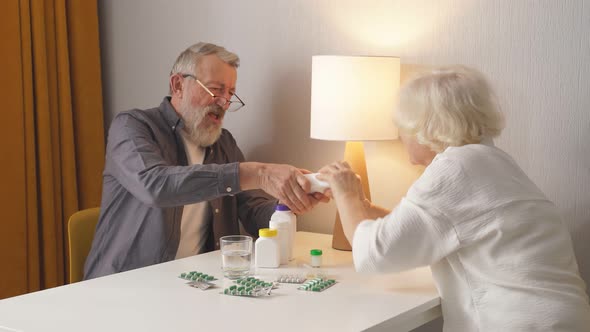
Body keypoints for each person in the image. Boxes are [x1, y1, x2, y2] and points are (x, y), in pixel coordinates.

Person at [318, 66, 590, 331]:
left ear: (424, 127)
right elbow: (427, 229)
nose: (400, 136)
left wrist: (346, 194)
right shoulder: (492, 162)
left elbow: (373, 255)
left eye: (402, 126)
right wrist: (360, 206)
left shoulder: (453, 169)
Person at [84, 42, 325, 279]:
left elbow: (254, 215)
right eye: (215, 90)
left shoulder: (224, 144)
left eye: (230, 93)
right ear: (178, 85)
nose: (224, 102)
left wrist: (287, 203)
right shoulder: (132, 126)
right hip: (124, 287)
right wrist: (256, 173)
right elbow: (155, 186)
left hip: (197, 285)